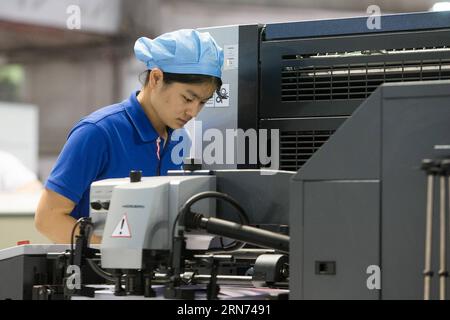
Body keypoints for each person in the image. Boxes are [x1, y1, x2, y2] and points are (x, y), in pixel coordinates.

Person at [35, 29, 224, 244]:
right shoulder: (98, 133)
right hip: (95, 273)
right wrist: (117, 253)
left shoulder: (179, 140)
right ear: (156, 78)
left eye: (202, 102)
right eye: (187, 98)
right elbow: (48, 219)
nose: (193, 112)